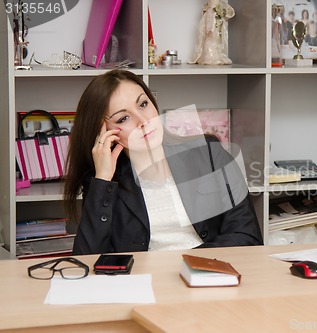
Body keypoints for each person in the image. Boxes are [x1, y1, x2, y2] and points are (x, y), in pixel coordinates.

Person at [63, 69, 263, 255]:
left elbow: (248, 238)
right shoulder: (103, 182)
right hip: (144, 287)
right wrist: (103, 179)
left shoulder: (209, 153)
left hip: (208, 279)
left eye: (143, 104)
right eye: (123, 118)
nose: (143, 120)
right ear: (103, 132)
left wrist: (183, 264)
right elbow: (87, 260)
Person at [190, 0, 235, 65]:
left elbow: (230, 12)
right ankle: (207, 56)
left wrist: (220, 14)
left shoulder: (219, 4)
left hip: (214, 17)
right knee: (206, 37)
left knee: (215, 37)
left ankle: (216, 57)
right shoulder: (207, 5)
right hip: (209, 15)